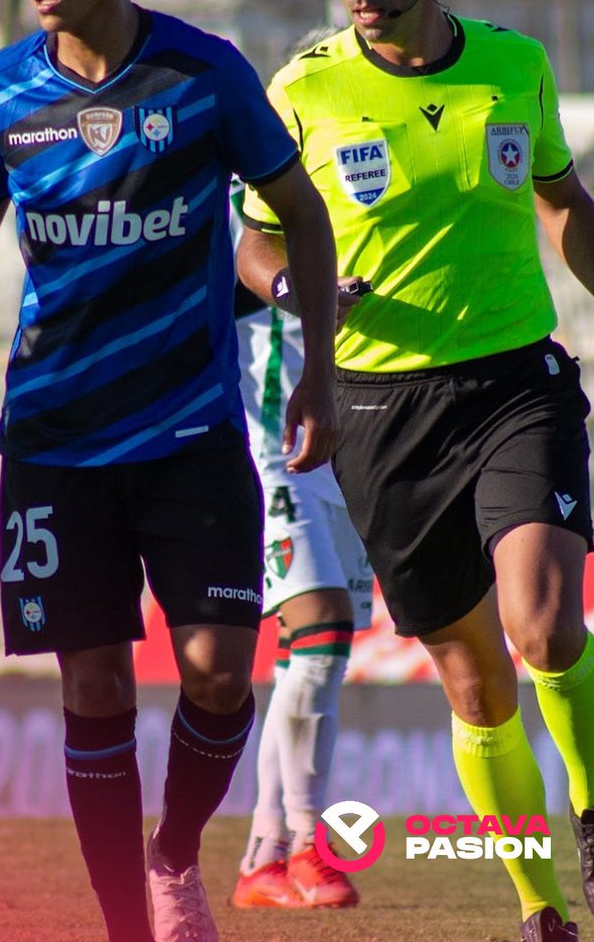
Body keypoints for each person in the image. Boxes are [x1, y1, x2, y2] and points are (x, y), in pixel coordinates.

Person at [0, 0, 339, 942]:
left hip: (191, 430)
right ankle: (125, 928)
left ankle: (175, 856)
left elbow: (303, 216)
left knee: (218, 673)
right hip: (53, 437)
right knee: (94, 690)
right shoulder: (2, 88)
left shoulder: (205, 76)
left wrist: (320, 367)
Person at [236, 0, 594, 942]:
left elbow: (563, 204)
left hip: (512, 382)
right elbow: (255, 241)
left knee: (544, 621)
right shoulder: (299, 90)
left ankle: (590, 813)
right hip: (381, 413)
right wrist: (296, 283)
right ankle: (541, 909)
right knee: (477, 686)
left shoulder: (514, 68)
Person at [230, 174, 373, 911]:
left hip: (358, 437)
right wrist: (300, 289)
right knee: (320, 636)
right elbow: (225, 283)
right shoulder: (234, 189)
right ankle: (311, 843)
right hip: (275, 446)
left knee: (314, 659)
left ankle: (265, 856)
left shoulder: (350, 168)